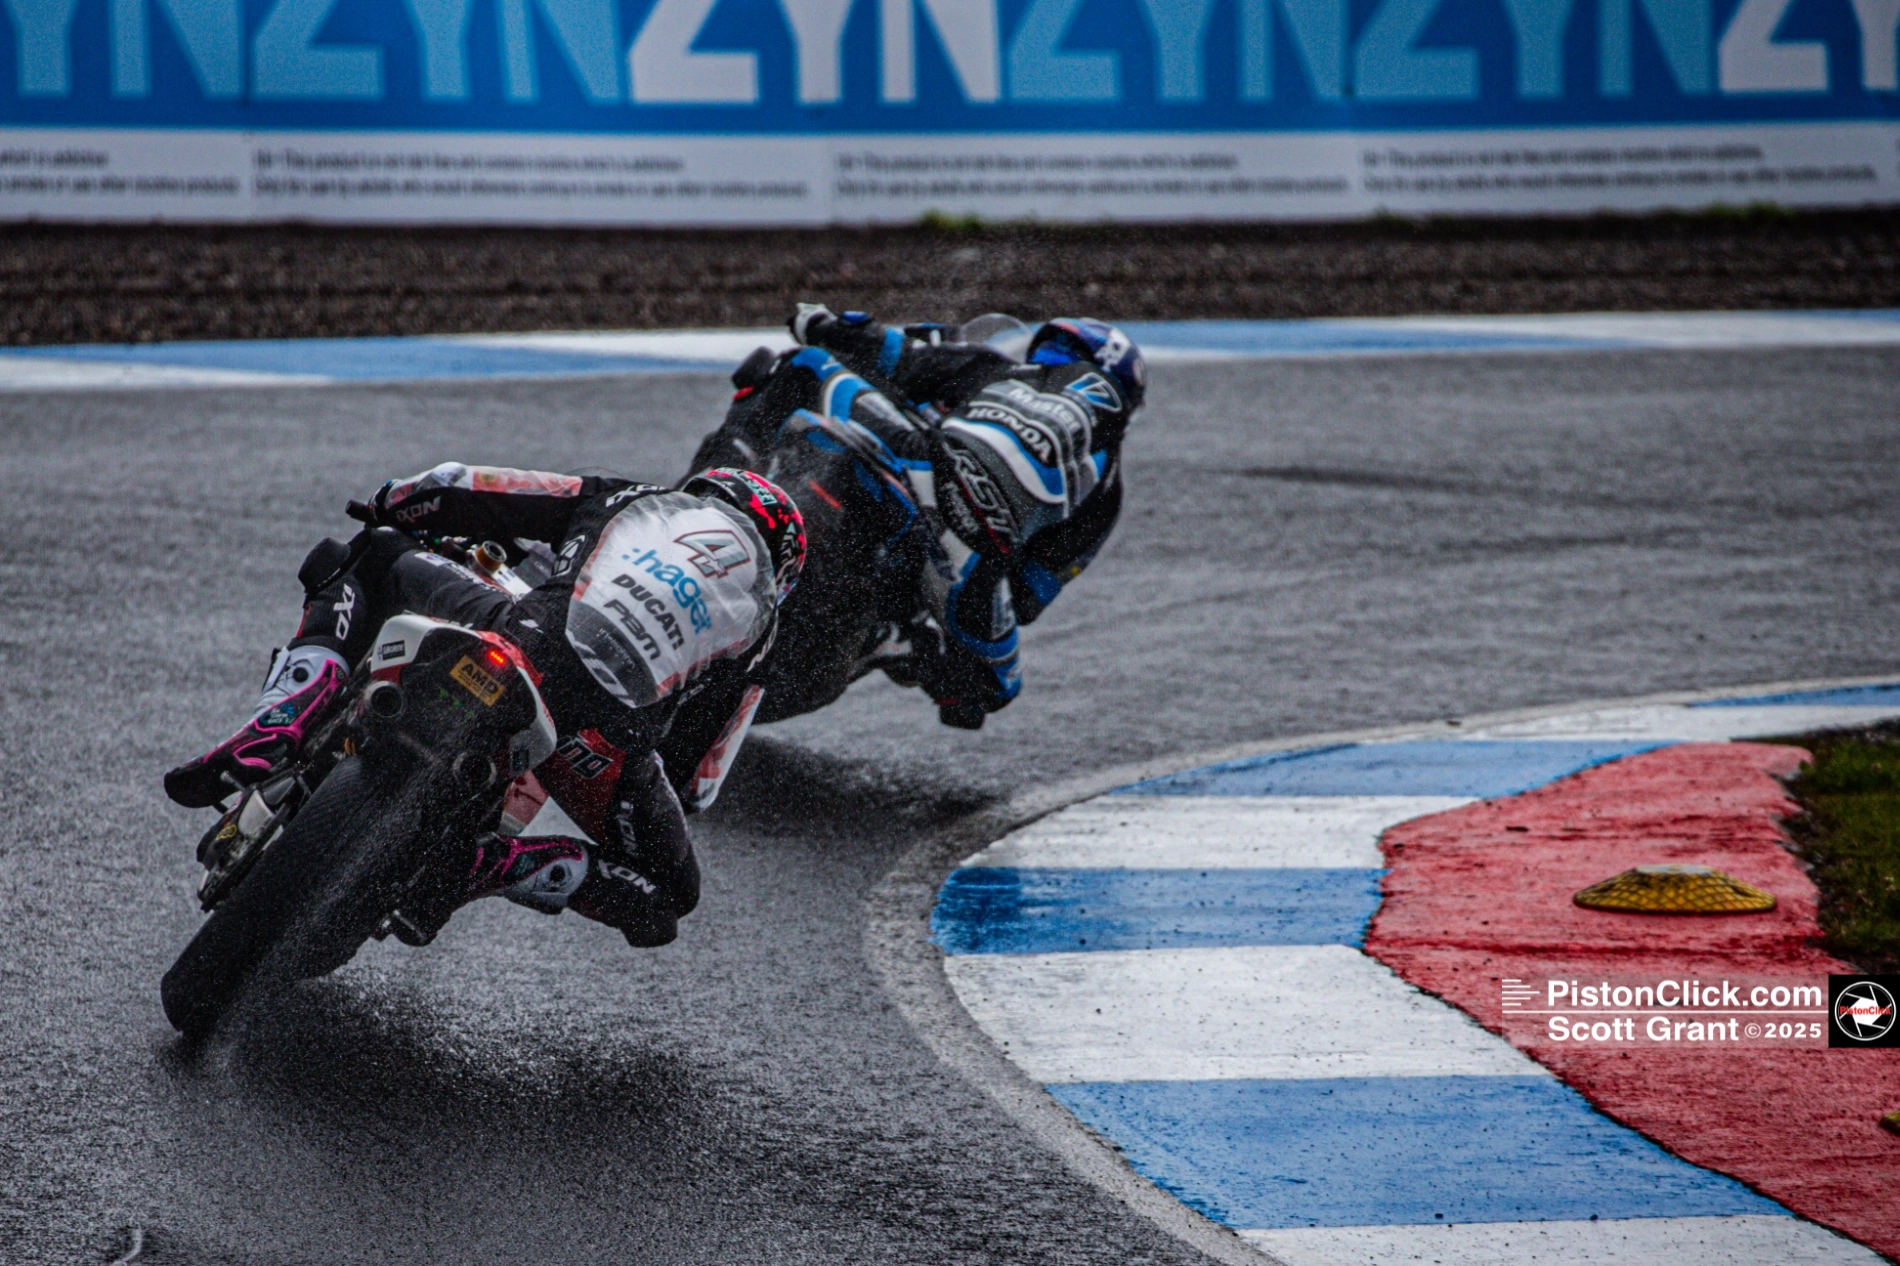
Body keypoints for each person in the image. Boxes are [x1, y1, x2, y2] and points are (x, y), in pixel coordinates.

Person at [163, 464, 805, 947]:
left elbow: (469, 485)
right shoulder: (762, 631)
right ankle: (486, 866)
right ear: (783, 572)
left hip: (526, 639)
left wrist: (397, 501)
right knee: (667, 896)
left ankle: (290, 709)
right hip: (597, 740)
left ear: (700, 491)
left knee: (366, 554)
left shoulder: (632, 498)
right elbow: (699, 780)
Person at [684, 304, 1144, 729]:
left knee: (800, 365)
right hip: (969, 563)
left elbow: (887, 353)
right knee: (994, 687)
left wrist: (819, 322)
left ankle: (696, 505)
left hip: (925, 467)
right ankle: (901, 641)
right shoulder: (1106, 496)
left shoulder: (1000, 369)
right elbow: (1025, 598)